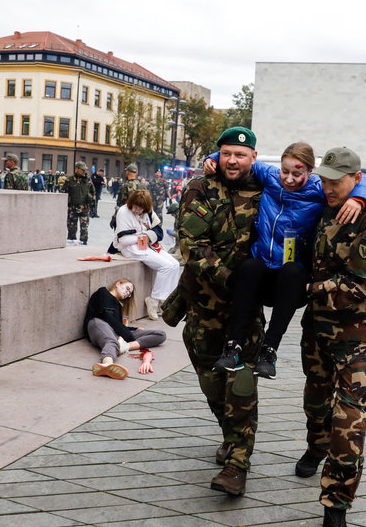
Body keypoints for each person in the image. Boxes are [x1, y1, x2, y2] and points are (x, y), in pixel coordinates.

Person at [202, 141, 366, 379]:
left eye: (297, 173)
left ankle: (269, 350)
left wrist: (358, 199)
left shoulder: (318, 188)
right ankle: (234, 347)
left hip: (290, 279)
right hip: (261, 268)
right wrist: (211, 157)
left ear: (310, 172)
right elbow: (240, 157)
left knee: (293, 272)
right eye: (286, 171)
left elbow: (364, 180)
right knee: (248, 267)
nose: (290, 179)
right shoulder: (271, 176)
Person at [297, 147, 366, 527]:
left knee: (348, 424)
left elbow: (359, 286)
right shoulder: (324, 209)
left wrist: (305, 289)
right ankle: (314, 448)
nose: (327, 187)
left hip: (359, 342)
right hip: (318, 335)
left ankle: (336, 505)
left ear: (357, 179)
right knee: (315, 403)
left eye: (336, 181)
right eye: (323, 179)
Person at [163, 126, 264, 497]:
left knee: (240, 383)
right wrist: (227, 276)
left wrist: (362, 196)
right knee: (210, 382)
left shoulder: (267, 191)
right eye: (226, 154)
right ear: (218, 156)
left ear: (253, 157)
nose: (232, 160)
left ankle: (237, 463)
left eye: (240, 154)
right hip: (203, 308)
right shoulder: (199, 189)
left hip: (245, 311)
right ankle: (231, 435)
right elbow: (190, 243)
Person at [112, 189, 179, 320]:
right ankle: (153, 301)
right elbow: (124, 240)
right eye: (135, 207)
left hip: (146, 245)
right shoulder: (123, 212)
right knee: (166, 266)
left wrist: (146, 236)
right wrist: (143, 236)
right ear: (131, 203)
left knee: (175, 264)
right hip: (131, 249)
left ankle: (164, 301)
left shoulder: (148, 212)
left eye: (140, 208)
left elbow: (158, 230)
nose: (137, 210)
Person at [84, 278, 166, 379]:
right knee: (112, 342)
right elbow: (106, 316)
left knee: (160, 335)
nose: (128, 293)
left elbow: (117, 324)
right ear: (118, 284)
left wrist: (134, 329)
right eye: (127, 288)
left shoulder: (118, 305)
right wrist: (128, 334)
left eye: (130, 293)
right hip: (98, 323)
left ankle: (124, 347)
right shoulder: (103, 292)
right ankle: (107, 364)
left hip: (115, 331)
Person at [61, 161, 95, 245]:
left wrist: (92, 205)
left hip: (84, 208)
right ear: (76, 169)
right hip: (72, 208)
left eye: (85, 170)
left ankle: (83, 243)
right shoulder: (69, 180)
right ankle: (71, 244)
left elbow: (93, 192)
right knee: (71, 228)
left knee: (84, 229)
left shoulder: (88, 180)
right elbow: (63, 193)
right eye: (82, 169)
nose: (84, 171)